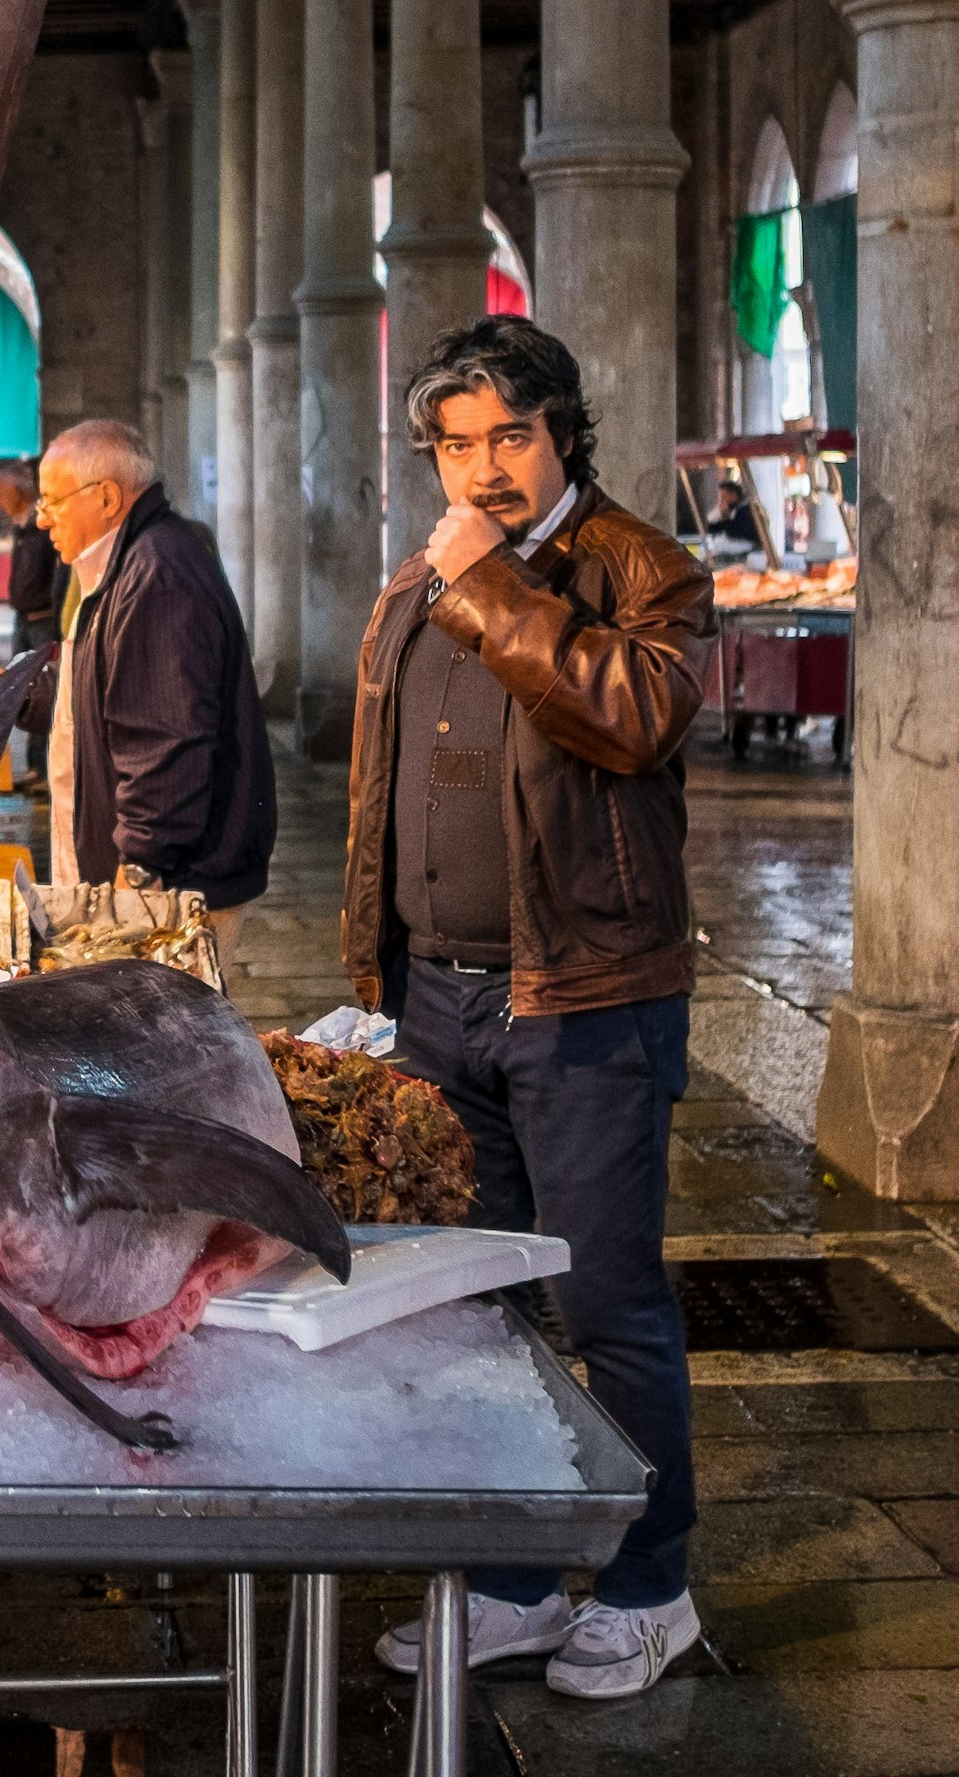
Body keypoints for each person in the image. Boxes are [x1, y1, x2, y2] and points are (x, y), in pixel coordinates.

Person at [344, 314, 711, 1700]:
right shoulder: (423, 577)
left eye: (508, 435)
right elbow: (385, 788)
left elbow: (629, 715)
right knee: (478, 1310)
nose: (482, 467)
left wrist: (491, 581)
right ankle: (508, 1582)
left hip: (585, 1002)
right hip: (442, 1001)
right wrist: (371, 973)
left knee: (607, 1303)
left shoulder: (643, 573)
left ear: (562, 432)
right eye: (455, 444)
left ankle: (648, 1584)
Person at [33, 420, 274, 951]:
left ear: (107, 498)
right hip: (153, 880)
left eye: (52, 500)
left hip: (171, 889)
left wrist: (140, 868)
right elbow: (107, 694)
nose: (42, 518)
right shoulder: (125, 565)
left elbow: (167, 740)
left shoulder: (157, 575)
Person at [0, 464, 64, 787]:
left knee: (43, 690)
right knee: (20, 689)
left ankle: (44, 770)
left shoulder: (41, 528)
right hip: (23, 618)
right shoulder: (21, 527)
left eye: (3, 493)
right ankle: (34, 767)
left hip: (43, 620)